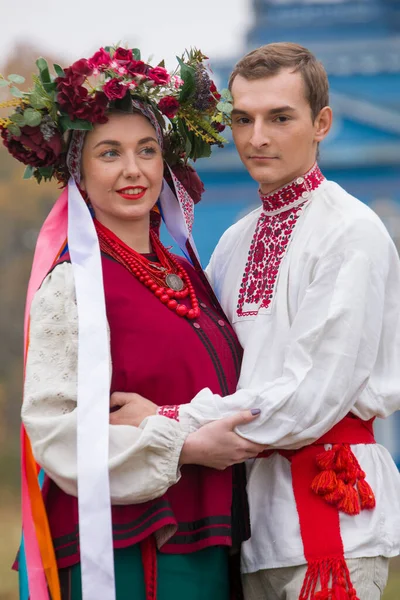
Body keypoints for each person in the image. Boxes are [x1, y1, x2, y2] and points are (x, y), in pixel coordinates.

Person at [118, 42, 400, 600]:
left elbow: (307, 396)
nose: (256, 138)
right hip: (244, 526)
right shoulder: (235, 239)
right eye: (242, 119)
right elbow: (212, 362)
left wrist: (167, 420)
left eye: (279, 117)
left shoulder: (351, 231)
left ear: (321, 123)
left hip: (329, 523)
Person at [1, 46, 266, 600]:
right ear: (77, 169)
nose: (133, 170)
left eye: (147, 150)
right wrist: (185, 448)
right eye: (109, 153)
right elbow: (55, 430)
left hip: (211, 540)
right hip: (122, 551)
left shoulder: (190, 277)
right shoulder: (72, 283)